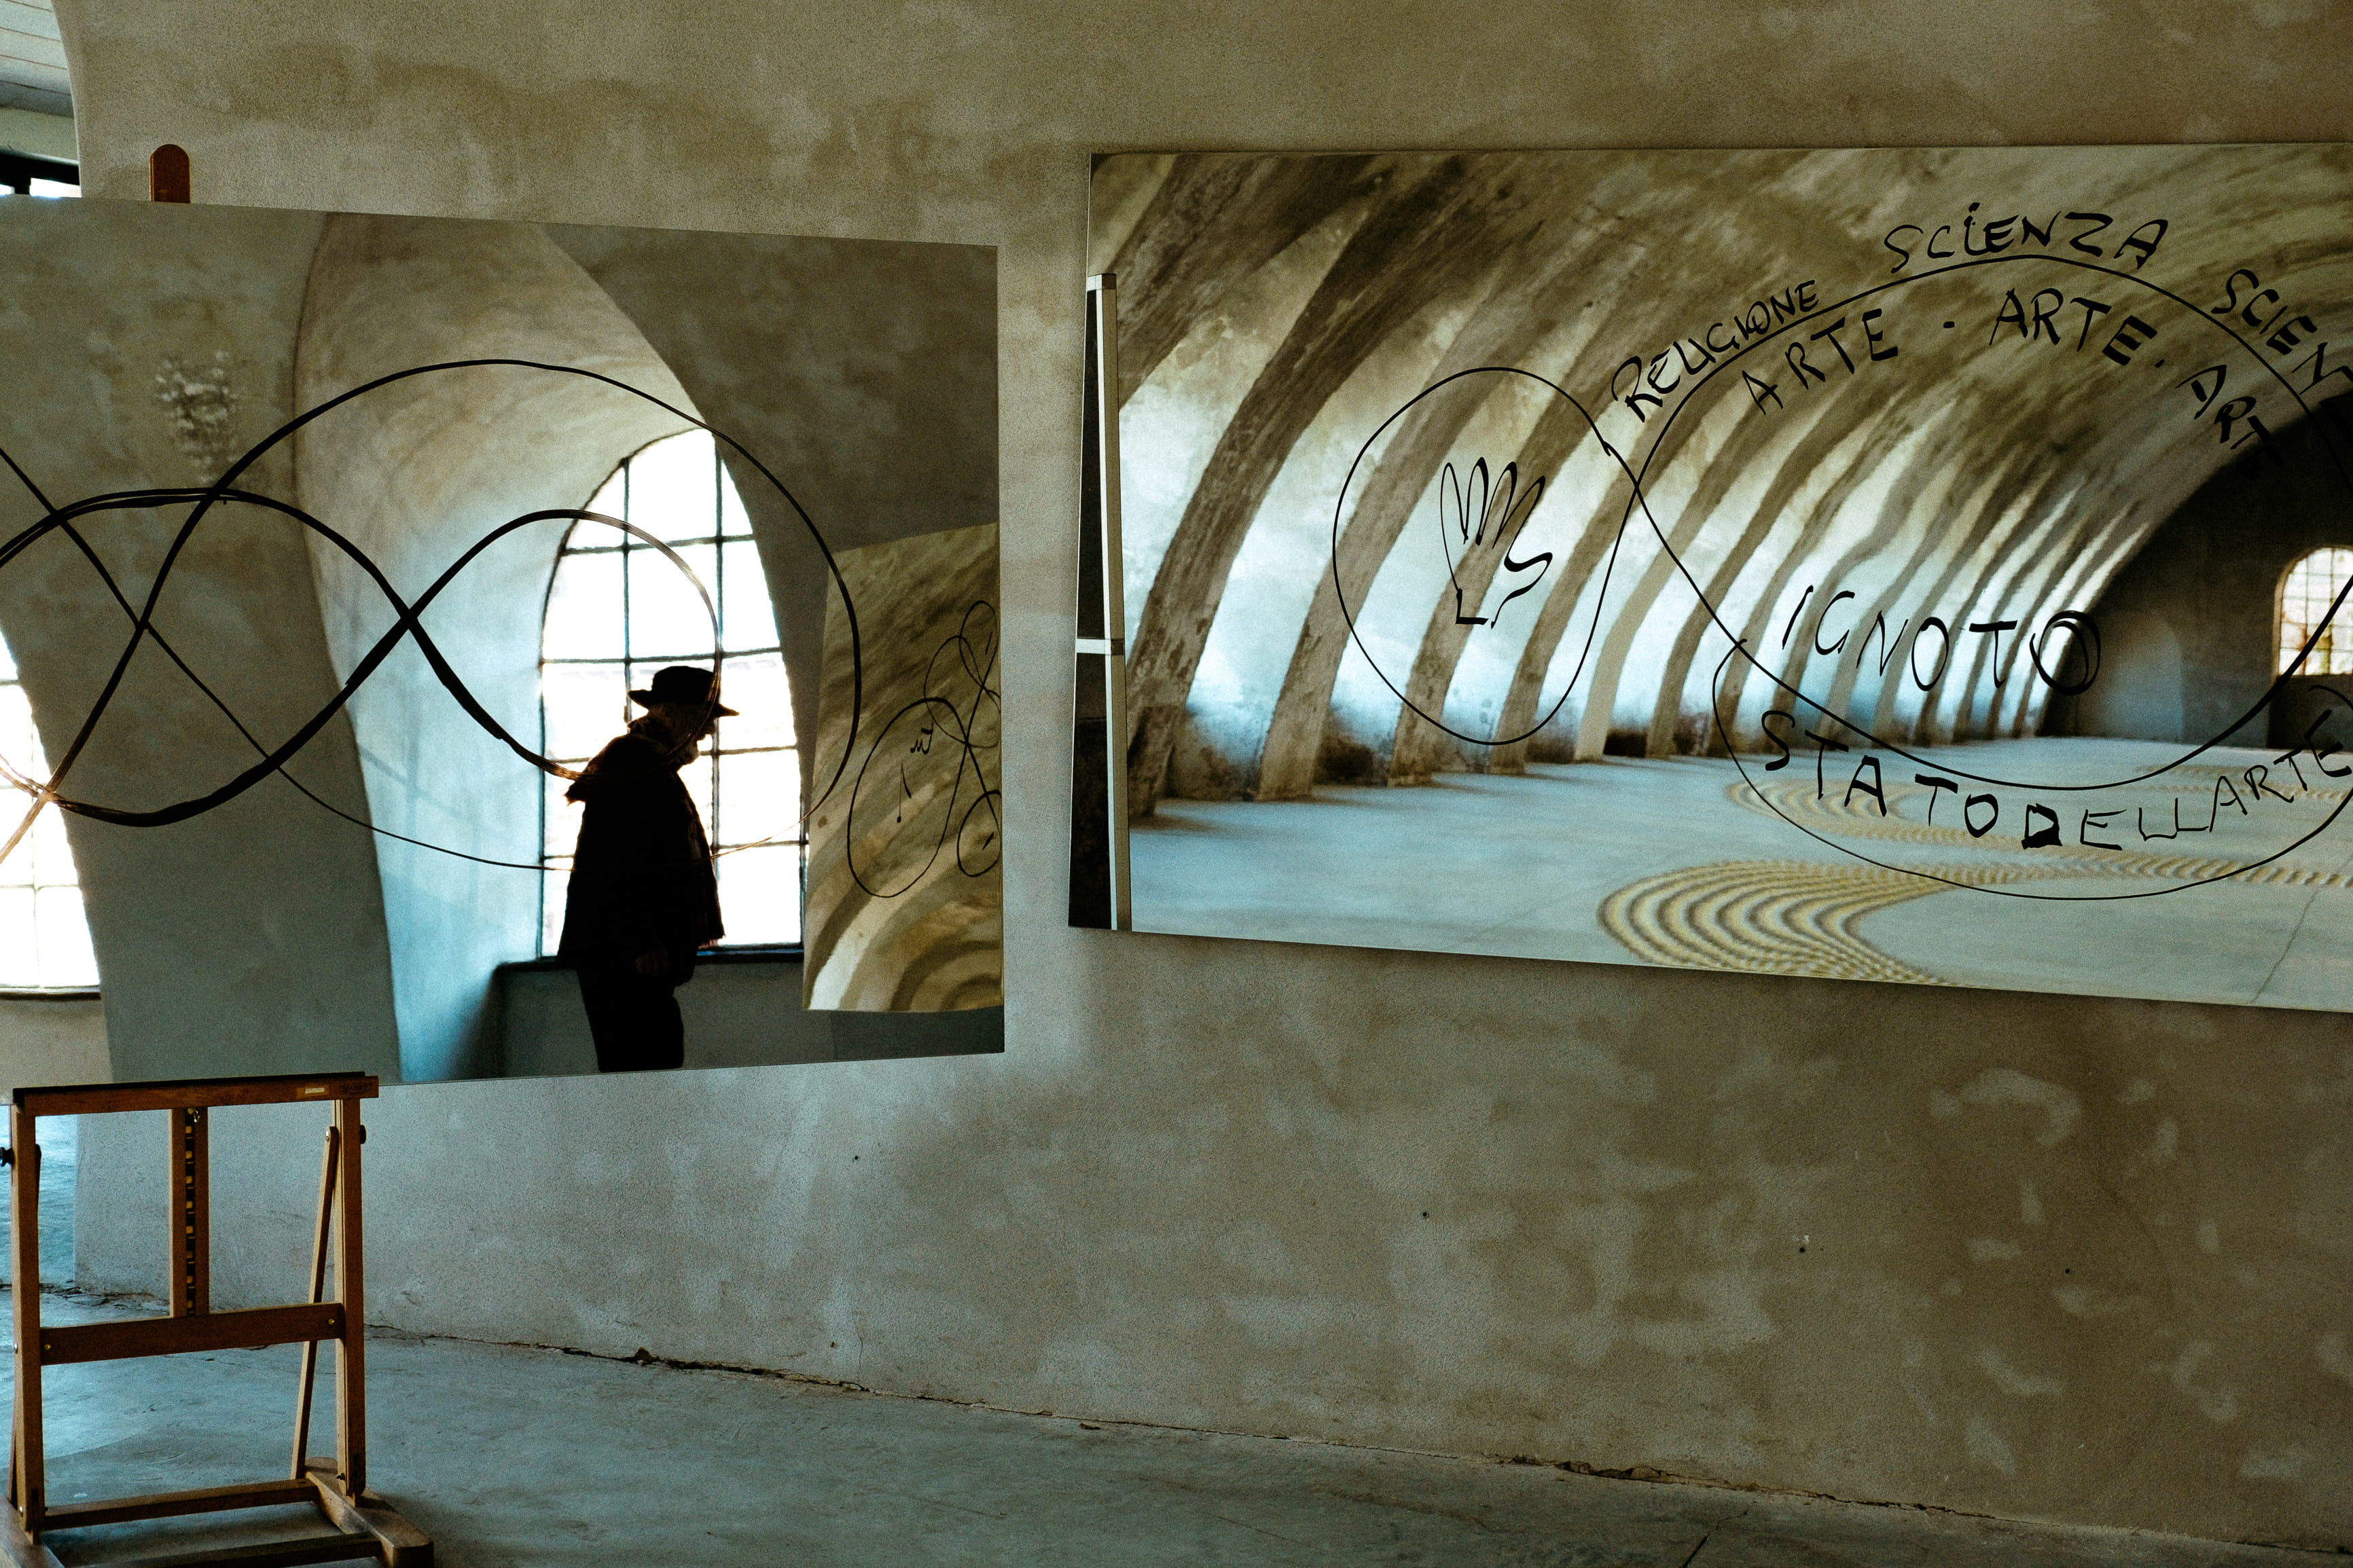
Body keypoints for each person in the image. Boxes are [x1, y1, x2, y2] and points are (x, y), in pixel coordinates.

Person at [559, 664, 733, 1072]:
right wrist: (642, 941)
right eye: (704, 716)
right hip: (628, 954)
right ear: (673, 712)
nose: (709, 730)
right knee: (644, 1068)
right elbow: (613, 858)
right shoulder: (634, 762)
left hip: (628, 952)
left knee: (647, 1066)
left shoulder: (645, 761)